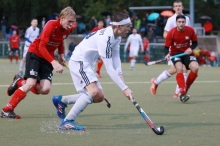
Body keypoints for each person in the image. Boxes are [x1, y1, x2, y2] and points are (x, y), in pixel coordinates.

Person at [52, 12, 133, 131]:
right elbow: (109, 68)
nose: (129, 29)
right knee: (94, 92)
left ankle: (62, 100)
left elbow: (116, 57)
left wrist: (121, 77)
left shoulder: (117, 36)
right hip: (80, 61)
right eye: (128, 26)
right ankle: (68, 121)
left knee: (99, 96)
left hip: (87, 64)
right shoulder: (105, 38)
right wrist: (124, 88)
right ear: (119, 26)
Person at [1, 6, 76, 119]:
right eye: (69, 21)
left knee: (45, 89)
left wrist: (61, 55)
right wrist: (54, 63)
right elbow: (41, 47)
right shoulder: (51, 25)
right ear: (62, 18)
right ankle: (7, 110)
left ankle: (19, 82)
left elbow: (61, 39)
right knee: (31, 83)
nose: (71, 24)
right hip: (35, 53)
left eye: (73, 22)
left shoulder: (69, 29)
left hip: (47, 58)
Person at [150, 0, 191, 98]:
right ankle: (177, 90)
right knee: (178, 69)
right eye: (176, 6)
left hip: (184, 48)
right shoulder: (171, 20)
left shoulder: (187, 19)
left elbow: (189, 32)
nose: (178, 7)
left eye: (179, 6)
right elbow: (165, 34)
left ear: (182, 7)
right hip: (174, 48)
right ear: (173, 8)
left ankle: (177, 90)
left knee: (179, 69)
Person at [164, 14, 198, 103]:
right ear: (176, 23)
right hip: (175, 54)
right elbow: (166, 47)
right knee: (179, 68)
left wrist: (190, 48)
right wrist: (167, 54)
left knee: (195, 68)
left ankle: (185, 89)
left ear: (185, 22)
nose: (181, 24)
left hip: (186, 54)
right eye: (179, 22)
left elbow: (195, 42)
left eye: (183, 22)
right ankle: (182, 93)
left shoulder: (190, 31)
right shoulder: (171, 32)